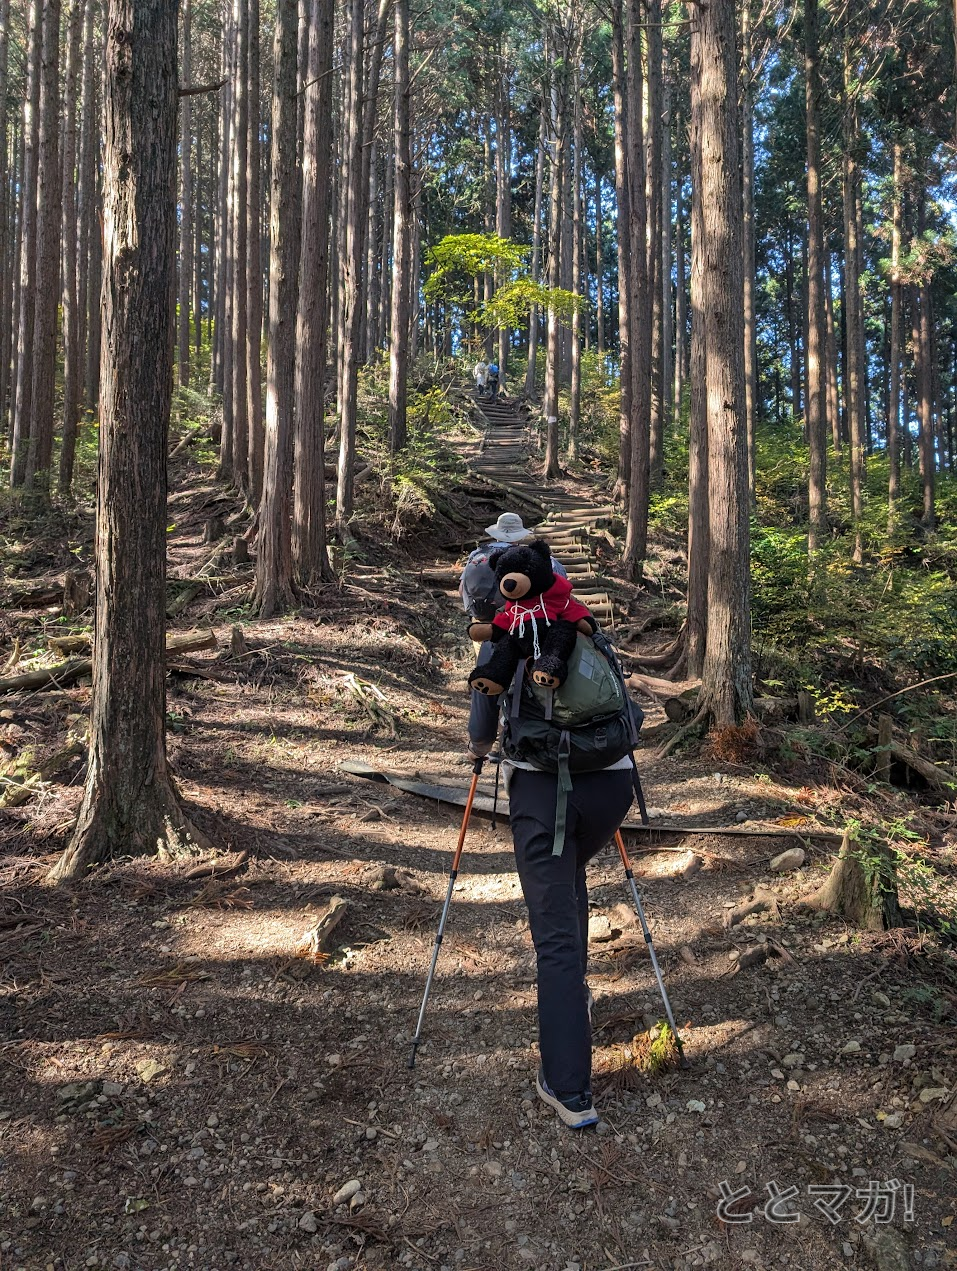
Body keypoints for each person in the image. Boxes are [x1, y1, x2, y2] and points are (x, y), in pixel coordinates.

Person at [466, 639, 635, 1130]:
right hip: (612, 788)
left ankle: (569, 1087)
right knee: (569, 878)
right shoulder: (583, 626)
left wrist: (480, 749)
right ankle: (573, 996)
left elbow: (482, 730)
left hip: (543, 793)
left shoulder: (504, 635)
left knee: (553, 938)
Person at [458, 513, 567, 621]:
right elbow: (558, 577)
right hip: (513, 616)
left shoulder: (477, 553)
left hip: (478, 615)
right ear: (519, 535)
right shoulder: (525, 556)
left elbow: (461, 588)